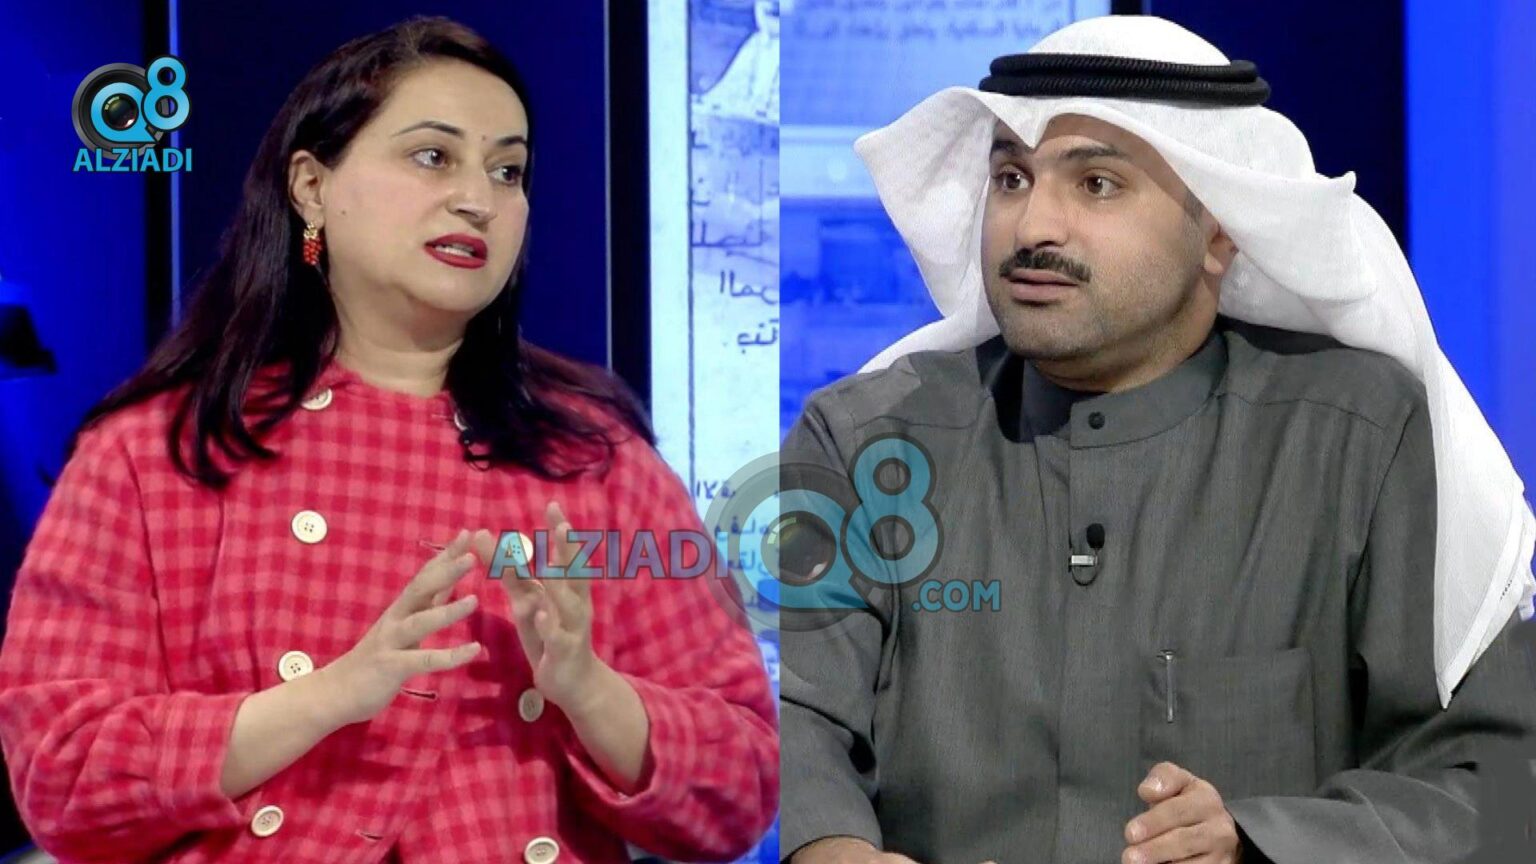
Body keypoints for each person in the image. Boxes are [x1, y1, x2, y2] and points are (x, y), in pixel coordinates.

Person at [0, 17, 777, 864]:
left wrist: (589, 691)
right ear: (311, 186)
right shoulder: (157, 451)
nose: (477, 198)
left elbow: (741, 784)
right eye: (433, 156)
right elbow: (61, 771)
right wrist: (328, 697)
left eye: (508, 170)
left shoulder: (595, 459)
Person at [778, 15, 1536, 864]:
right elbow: (793, 719)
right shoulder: (864, 441)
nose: (1033, 228)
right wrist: (834, 851)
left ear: (1218, 231)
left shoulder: (1363, 441)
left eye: (1096, 184)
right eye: (1011, 178)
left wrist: (1260, 843)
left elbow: (1497, 782)